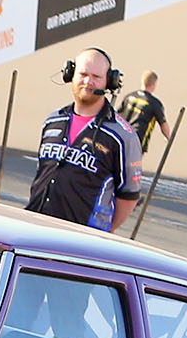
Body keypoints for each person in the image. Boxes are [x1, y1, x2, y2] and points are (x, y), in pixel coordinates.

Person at [25, 48, 145, 233]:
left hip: (80, 240)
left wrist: (99, 233)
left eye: (96, 76)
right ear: (70, 74)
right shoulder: (53, 121)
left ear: (109, 81)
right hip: (34, 229)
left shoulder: (122, 136)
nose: (88, 81)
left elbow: (128, 197)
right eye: (83, 74)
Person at [119, 71, 169, 145]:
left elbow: (117, 115)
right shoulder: (154, 103)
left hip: (122, 138)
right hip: (138, 142)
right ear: (154, 84)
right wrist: (168, 138)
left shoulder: (129, 97)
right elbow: (163, 124)